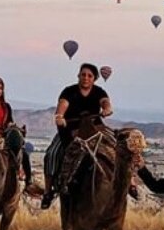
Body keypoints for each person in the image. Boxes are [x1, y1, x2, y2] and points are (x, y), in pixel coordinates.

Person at [40, 63, 112, 209]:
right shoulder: (69, 91)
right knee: (51, 154)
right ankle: (48, 192)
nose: (86, 78)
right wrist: (60, 116)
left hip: (94, 129)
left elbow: (105, 102)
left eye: (89, 76)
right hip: (71, 129)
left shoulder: (99, 91)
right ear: (78, 76)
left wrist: (107, 109)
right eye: (83, 74)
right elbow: (63, 105)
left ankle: (129, 183)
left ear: (94, 79)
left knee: (118, 147)